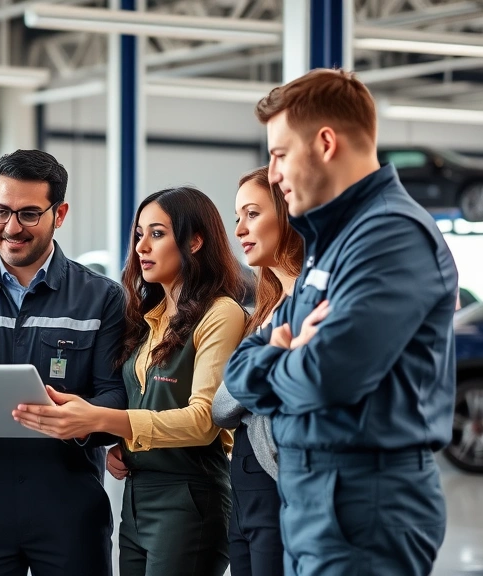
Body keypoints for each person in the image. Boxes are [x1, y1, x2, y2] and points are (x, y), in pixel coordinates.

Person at [224, 69, 458, 576]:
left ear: (326, 142)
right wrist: (278, 355)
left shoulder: (391, 237)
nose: (274, 173)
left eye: (280, 154)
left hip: (365, 505)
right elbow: (236, 372)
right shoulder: (330, 241)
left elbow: (327, 376)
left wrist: (278, 358)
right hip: (315, 500)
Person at [15, 186, 246, 576]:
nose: (142, 247)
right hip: (136, 495)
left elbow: (205, 421)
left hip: (189, 498)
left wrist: (103, 420)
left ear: (194, 240)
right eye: (139, 235)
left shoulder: (221, 314)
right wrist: (124, 445)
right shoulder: (148, 317)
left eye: (157, 234)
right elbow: (146, 403)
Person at [0, 149, 126, 576]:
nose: (12, 227)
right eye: (1, 211)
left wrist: (82, 419)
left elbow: (116, 393)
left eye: (29, 214)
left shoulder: (102, 299)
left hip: (69, 506)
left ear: (59, 213)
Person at [212, 166, 303, 576]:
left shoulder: (310, 305)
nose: (240, 230)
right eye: (237, 218)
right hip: (246, 487)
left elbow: (240, 397)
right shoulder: (264, 312)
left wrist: (250, 379)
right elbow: (223, 405)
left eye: (252, 214)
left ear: (287, 213)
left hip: (281, 483)